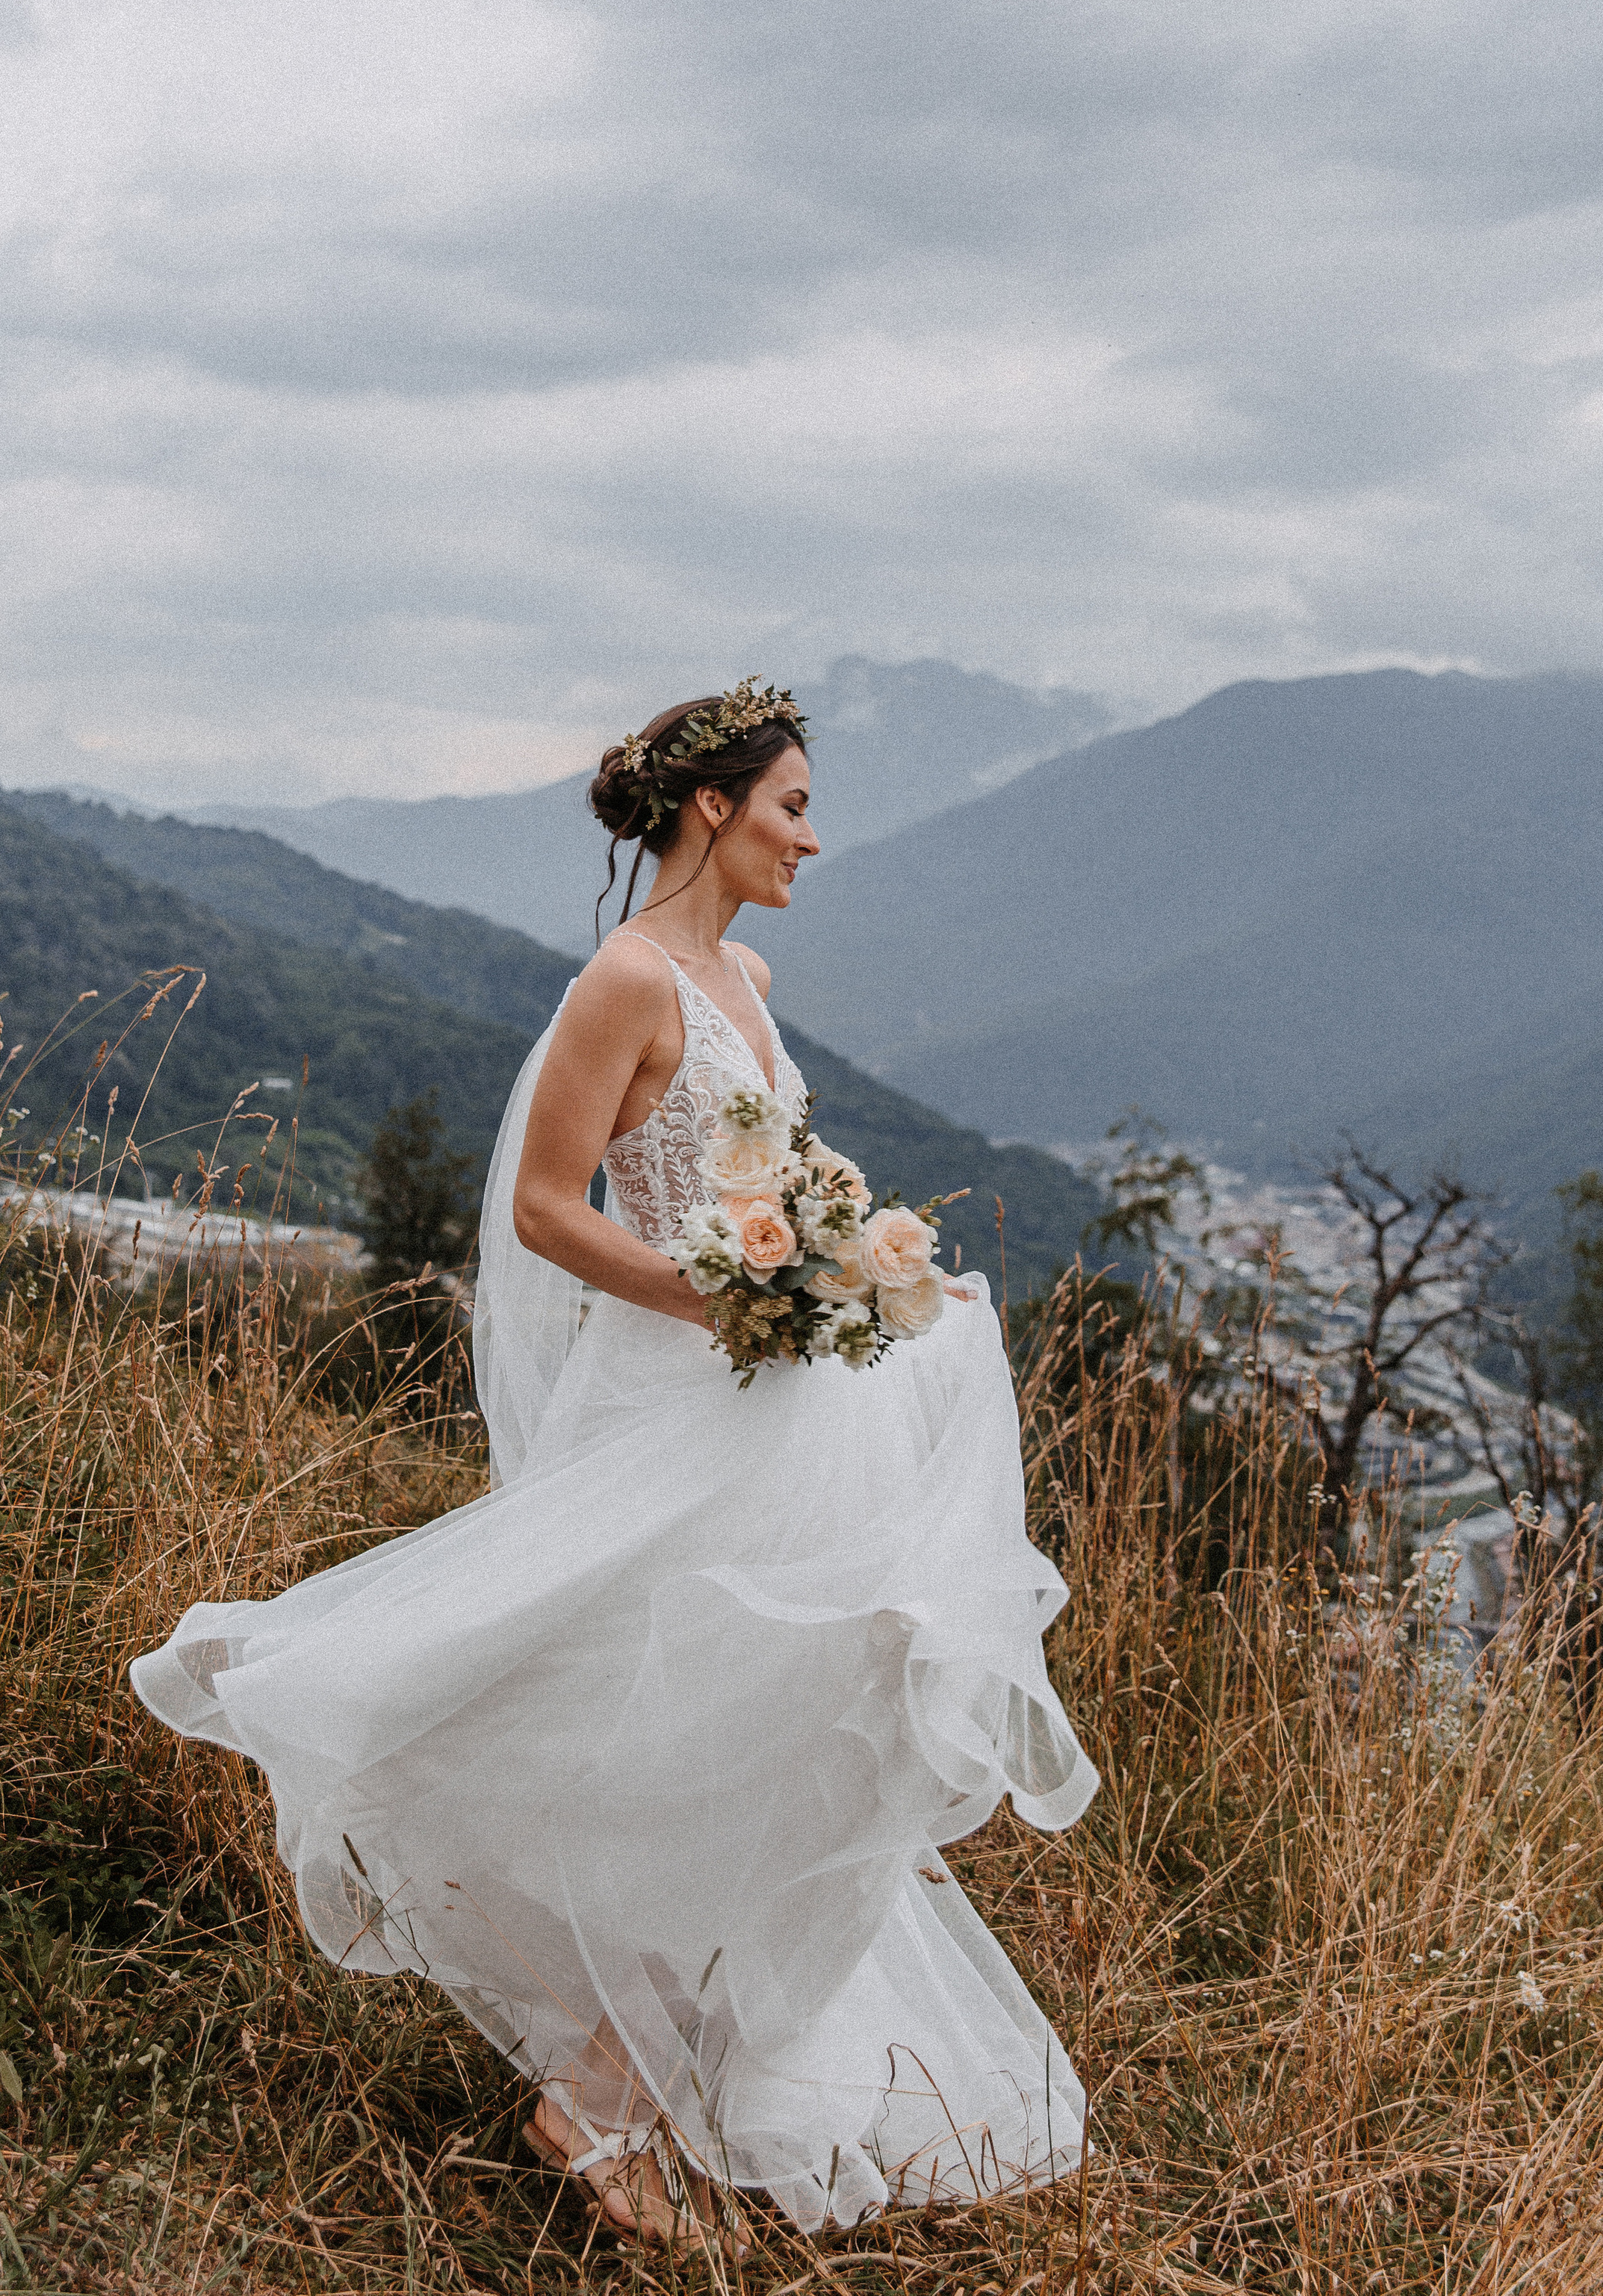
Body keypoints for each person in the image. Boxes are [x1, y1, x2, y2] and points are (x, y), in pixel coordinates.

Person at [132, 680, 1097, 2251]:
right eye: (789, 804)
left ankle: (613, 2081)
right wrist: (730, 1299)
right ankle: (594, 2098)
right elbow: (544, 1209)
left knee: (815, 1739)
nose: (809, 836)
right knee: (705, 1741)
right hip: (685, 1411)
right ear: (710, 807)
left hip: (793, 1422)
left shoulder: (748, 977)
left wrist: (848, 1274)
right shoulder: (625, 982)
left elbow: (763, 1183)